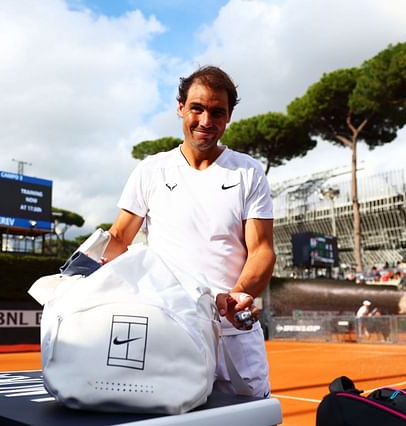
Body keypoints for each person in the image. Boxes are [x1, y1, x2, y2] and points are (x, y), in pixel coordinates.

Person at [101, 65, 275, 398]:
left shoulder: (249, 171)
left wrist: (238, 295)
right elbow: (119, 238)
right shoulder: (151, 169)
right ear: (180, 107)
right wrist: (80, 273)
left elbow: (262, 250)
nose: (206, 121)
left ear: (228, 117)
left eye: (217, 112)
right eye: (197, 108)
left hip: (234, 335)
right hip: (171, 334)